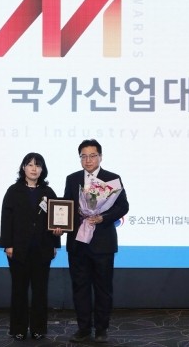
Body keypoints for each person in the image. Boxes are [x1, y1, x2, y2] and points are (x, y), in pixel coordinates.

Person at [64, 139, 129, 343]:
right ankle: (83, 329)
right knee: (80, 287)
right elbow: (67, 206)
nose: (88, 160)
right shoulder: (72, 179)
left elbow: (123, 206)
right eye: (83, 156)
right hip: (78, 243)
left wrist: (103, 217)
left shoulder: (112, 179)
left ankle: (101, 329)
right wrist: (60, 223)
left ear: (100, 157)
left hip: (103, 243)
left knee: (103, 288)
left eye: (92, 155)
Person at [0, 152, 63, 341]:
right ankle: (18, 329)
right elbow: (6, 219)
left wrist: (55, 242)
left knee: (40, 291)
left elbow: (56, 221)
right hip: (18, 249)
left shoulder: (48, 192)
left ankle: (38, 329)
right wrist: (8, 244)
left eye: (38, 165)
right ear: (23, 168)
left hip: (42, 249)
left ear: (43, 169)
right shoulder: (13, 191)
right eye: (30, 165)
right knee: (19, 290)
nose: (34, 169)